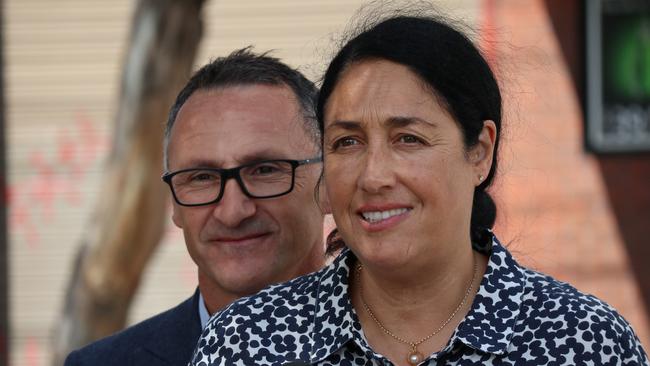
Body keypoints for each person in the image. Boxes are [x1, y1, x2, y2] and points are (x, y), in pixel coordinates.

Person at [190, 14, 649, 366]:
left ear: (480, 153)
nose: (373, 176)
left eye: (408, 139)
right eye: (347, 142)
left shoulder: (581, 340)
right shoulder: (249, 342)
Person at [64, 48, 328, 365]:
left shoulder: (394, 349)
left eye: (264, 170)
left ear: (329, 182)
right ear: (174, 203)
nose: (232, 212)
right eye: (202, 177)